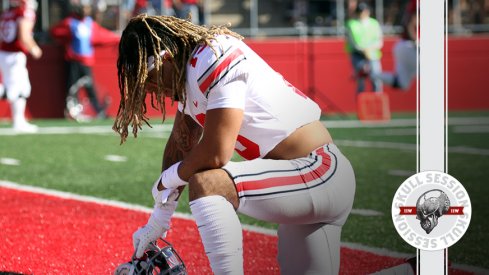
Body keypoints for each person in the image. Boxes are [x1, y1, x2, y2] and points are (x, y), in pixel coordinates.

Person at [113, 15, 356, 274]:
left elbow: (216, 154)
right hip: (298, 184)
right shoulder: (189, 75)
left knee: (208, 183)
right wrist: (159, 218)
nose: (151, 89)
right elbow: (180, 144)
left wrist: (169, 179)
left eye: (149, 77)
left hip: (318, 170)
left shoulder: (212, 55)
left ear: (167, 58)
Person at [50, 0, 119, 121]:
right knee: (72, 88)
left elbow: (102, 36)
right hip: (73, 61)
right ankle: (71, 112)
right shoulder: (70, 23)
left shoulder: (89, 23)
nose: (85, 10)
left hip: (86, 62)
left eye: (87, 8)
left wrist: (119, 38)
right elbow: (55, 32)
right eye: (83, 8)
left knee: (90, 88)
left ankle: (98, 111)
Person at [0, 0, 42, 133]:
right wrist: (34, 48)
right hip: (15, 54)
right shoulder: (24, 12)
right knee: (14, 91)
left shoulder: (7, 13)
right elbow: (24, 35)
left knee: (23, 88)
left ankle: (19, 121)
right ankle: (18, 122)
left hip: (4, 53)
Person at [377, 0, 417, 91]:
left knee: (403, 84)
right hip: (409, 46)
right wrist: (416, 43)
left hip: (403, 46)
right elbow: (411, 22)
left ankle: (372, 74)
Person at [345, 2, 384, 94]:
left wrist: (370, 50)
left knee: (376, 80)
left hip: (373, 55)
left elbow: (379, 41)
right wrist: (365, 51)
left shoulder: (374, 23)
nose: (362, 14)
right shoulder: (352, 24)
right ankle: (361, 106)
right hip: (358, 55)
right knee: (360, 82)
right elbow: (354, 42)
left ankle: (377, 104)